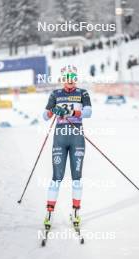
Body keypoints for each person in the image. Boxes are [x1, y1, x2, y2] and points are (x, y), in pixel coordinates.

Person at [43, 65, 92, 228]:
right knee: (57, 176)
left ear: (75, 78)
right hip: (60, 138)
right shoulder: (55, 94)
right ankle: (49, 214)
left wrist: (70, 113)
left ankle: (76, 213)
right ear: (63, 79)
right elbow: (45, 116)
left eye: (73, 77)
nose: (70, 80)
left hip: (77, 138)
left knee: (77, 177)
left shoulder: (82, 93)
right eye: (67, 77)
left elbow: (88, 112)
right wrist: (52, 111)